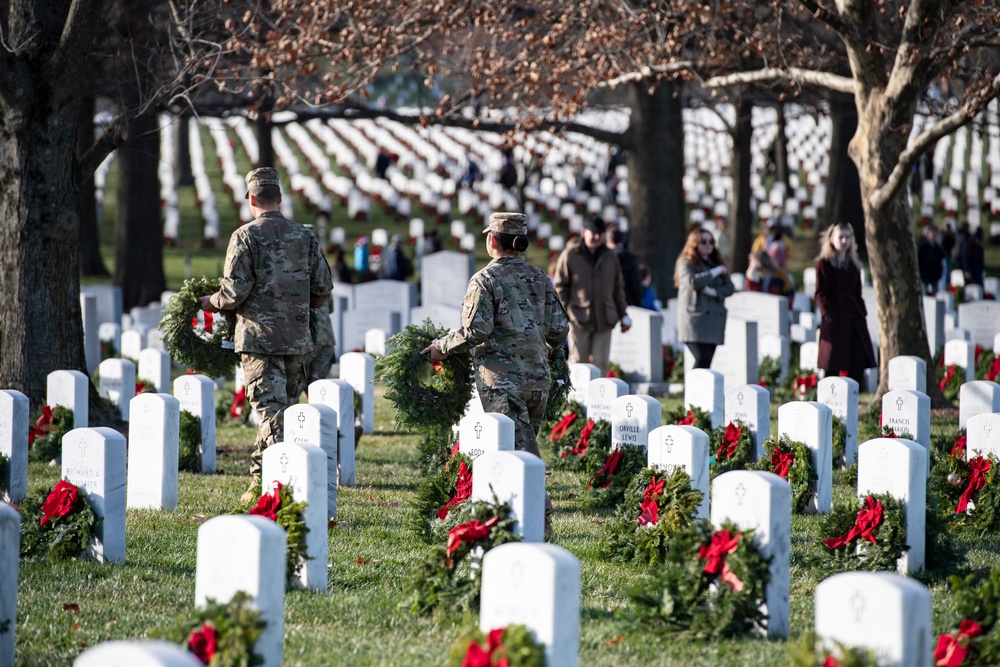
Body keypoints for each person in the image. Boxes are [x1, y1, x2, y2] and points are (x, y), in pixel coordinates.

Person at [422, 212, 568, 537]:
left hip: (503, 385)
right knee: (521, 448)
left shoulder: (484, 280)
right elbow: (559, 330)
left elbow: (475, 330)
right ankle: (512, 520)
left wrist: (441, 348)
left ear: (492, 241)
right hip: (538, 382)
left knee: (523, 456)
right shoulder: (540, 278)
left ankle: (539, 521)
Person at [199, 167, 333, 503]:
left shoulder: (245, 236)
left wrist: (210, 302)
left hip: (259, 343)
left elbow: (234, 293)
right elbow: (322, 288)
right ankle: (258, 481)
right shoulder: (304, 236)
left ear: (252, 199)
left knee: (272, 417)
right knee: (280, 414)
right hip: (296, 341)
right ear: (280, 198)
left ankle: (280, 487)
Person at [553, 215, 632, 374]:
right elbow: (560, 286)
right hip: (578, 316)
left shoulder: (610, 257)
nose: (596, 237)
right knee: (578, 362)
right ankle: (576, 397)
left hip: (605, 317)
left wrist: (623, 314)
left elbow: (618, 287)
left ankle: (600, 397)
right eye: (592, 232)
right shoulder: (570, 255)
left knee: (601, 363)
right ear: (584, 232)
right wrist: (567, 310)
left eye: (599, 233)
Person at [814, 223, 877, 385]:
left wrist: (861, 312)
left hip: (853, 316)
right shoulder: (824, 264)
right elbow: (820, 292)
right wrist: (828, 313)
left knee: (859, 356)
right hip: (835, 317)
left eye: (847, 237)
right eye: (840, 237)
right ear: (831, 239)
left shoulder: (854, 265)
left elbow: (857, 292)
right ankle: (830, 394)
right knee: (833, 361)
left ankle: (850, 390)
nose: (844, 241)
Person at [674, 225, 735, 369]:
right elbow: (692, 281)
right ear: (694, 244)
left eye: (711, 241)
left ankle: (701, 391)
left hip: (714, 321)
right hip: (695, 320)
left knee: (707, 363)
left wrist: (713, 292)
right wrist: (715, 272)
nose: (708, 245)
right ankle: (692, 391)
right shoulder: (685, 262)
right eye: (703, 241)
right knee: (701, 358)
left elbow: (730, 288)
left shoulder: (716, 262)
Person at [608, 227, 643, 307]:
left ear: (609, 242)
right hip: (628, 303)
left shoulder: (604, 260)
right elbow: (635, 284)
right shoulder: (630, 259)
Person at [917, 224, 945, 295]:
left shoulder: (938, 248)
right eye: (932, 233)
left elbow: (940, 262)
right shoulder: (923, 247)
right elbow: (920, 260)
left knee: (934, 295)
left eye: (935, 233)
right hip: (925, 276)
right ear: (929, 234)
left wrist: (939, 274)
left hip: (934, 276)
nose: (934, 235)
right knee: (924, 295)